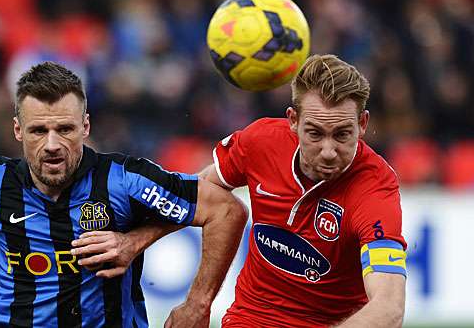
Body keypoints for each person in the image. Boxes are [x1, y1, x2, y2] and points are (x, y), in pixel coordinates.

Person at [0, 62, 248, 328]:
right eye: (38, 131)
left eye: (65, 129)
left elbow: (226, 211)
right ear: (18, 131)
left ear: (85, 126)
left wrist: (197, 305)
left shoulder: (125, 180)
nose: (52, 144)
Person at [77, 54, 408, 327]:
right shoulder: (261, 143)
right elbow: (195, 196)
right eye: (315, 133)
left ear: (363, 124)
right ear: (292, 120)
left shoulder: (375, 189)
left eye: (342, 135)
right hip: (252, 318)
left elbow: (389, 306)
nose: (328, 150)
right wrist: (134, 242)